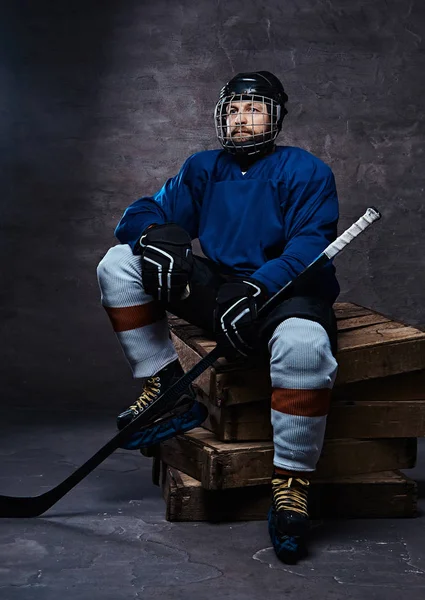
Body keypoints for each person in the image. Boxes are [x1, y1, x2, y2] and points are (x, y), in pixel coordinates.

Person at [97, 71, 339, 564]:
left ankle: (291, 483)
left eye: (253, 108)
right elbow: (138, 213)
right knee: (118, 262)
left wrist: (258, 286)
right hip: (223, 290)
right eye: (233, 109)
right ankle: (169, 390)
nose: (241, 118)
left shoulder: (305, 169)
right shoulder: (203, 168)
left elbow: (310, 246)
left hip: (285, 290)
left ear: (276, 117)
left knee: (305, 349)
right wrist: (154, 235)